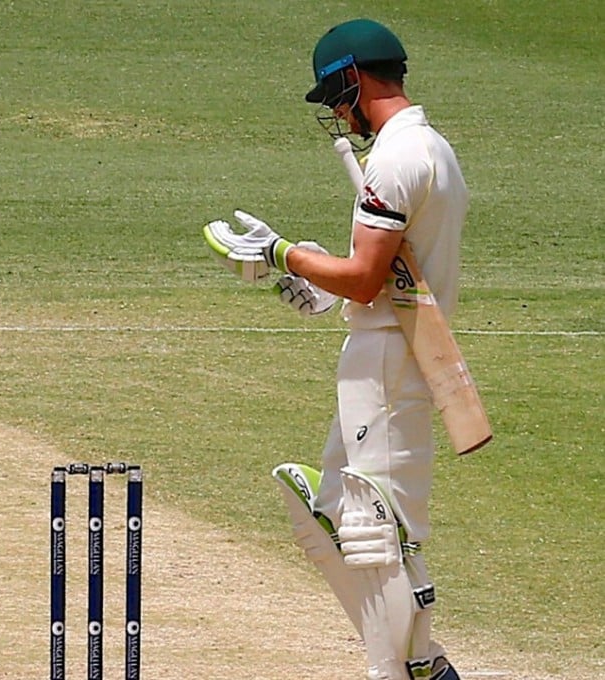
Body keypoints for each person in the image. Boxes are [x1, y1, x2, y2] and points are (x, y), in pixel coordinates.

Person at [203, 18, 467, 680]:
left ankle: (406, 667)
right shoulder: (432, 150)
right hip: (386, 349)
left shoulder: (395, 160)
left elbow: (369, 276)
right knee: (327, 517)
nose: (339, 115)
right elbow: (383, 278)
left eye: (336, 97)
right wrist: (314, 277)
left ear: (353, 77)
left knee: (376, 531)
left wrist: (280, 253)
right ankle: (421, 664)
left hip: (385, 363)